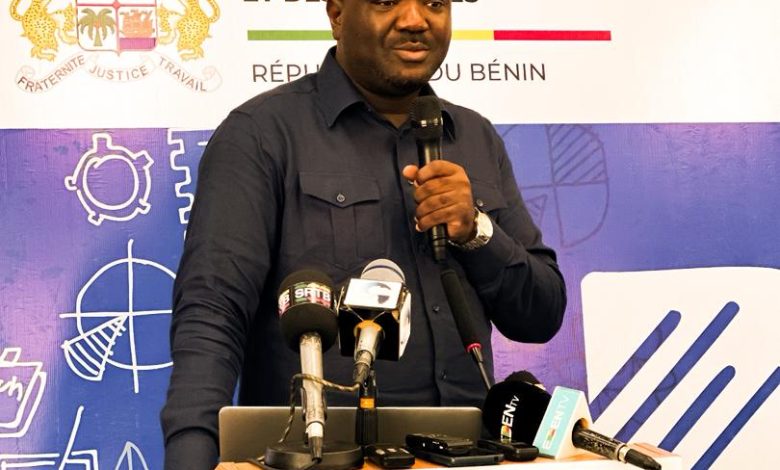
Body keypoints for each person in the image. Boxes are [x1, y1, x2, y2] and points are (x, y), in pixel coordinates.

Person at [161, 1, 567, 468]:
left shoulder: (476, 137)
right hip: (316, 458)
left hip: (470, 456)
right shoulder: (261, 134)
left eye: (435, 4)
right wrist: (192, 457)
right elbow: (212, 314)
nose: (415, 20)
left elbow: (541, 314)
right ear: (337, 14)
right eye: (386, 2)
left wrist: (477, 231)